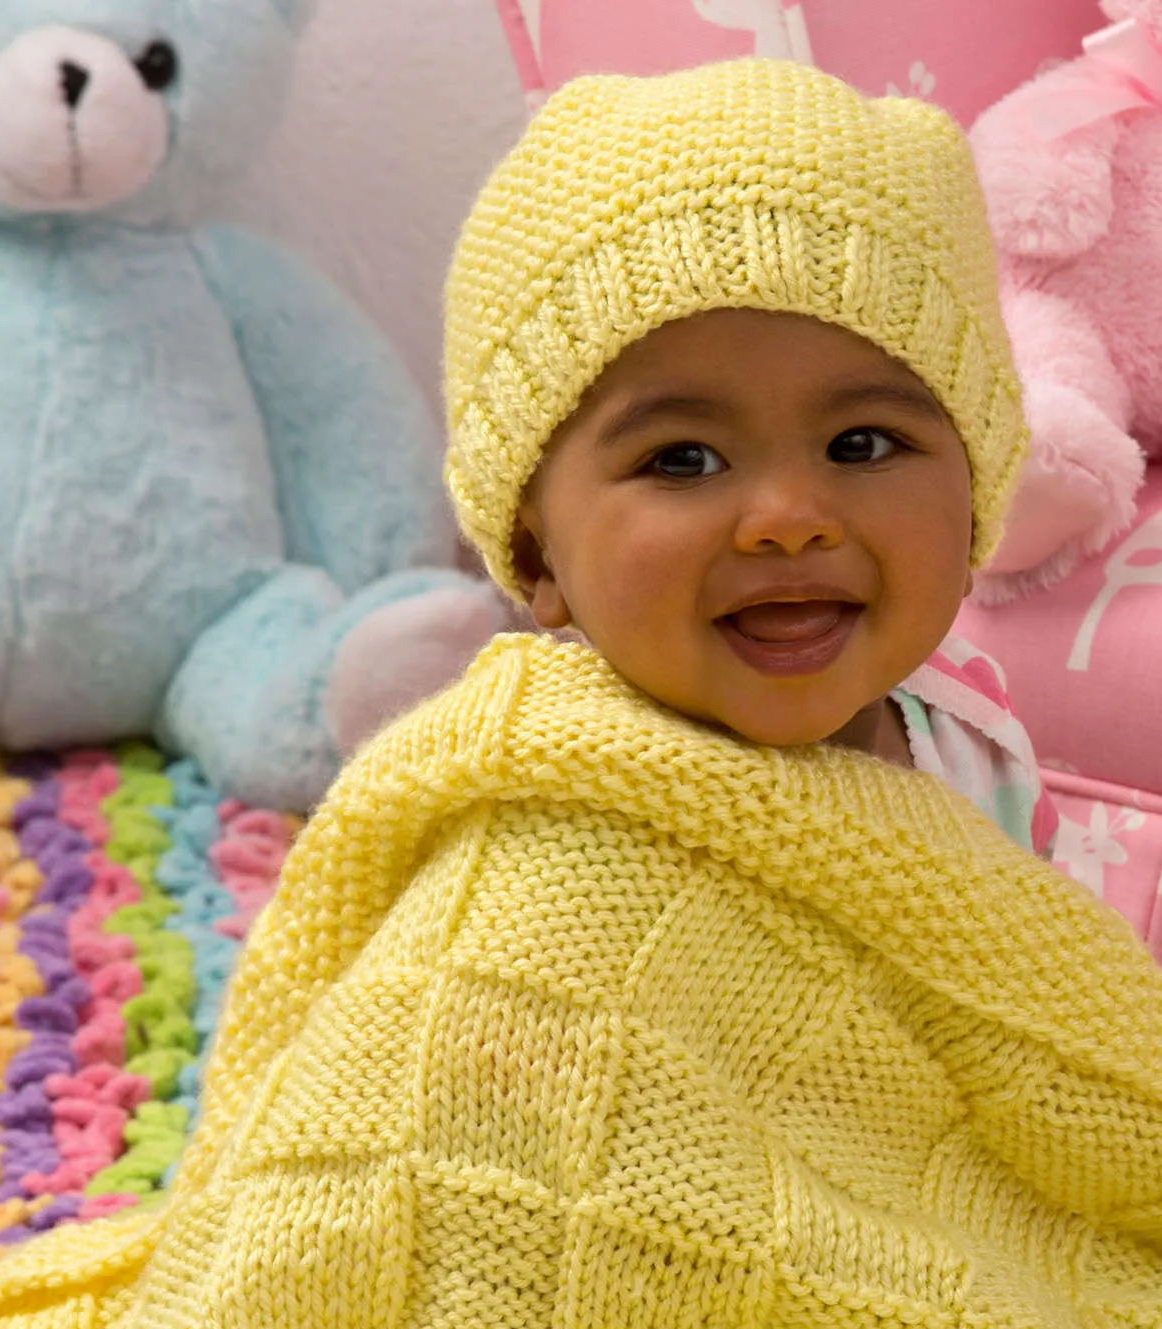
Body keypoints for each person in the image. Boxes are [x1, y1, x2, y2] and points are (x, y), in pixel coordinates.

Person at [442, 57, 1054, 853]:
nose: (789, 521)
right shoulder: (545, 836)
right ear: (538, 556)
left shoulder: (973, 742)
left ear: (973, 506)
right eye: (684, 461)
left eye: (859, 445)